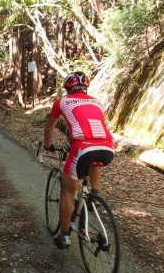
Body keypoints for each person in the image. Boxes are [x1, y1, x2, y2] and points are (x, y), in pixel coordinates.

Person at [44, 72, 114, 249]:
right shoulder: (97, 102)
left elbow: (50, 126)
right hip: (107, 147)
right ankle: (94, 198)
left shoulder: (62, 102)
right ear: (85, 88)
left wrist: (48, 145)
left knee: (67, 192)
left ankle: (65, 236)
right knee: (94, 162)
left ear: (68, 87)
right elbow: (88, 124)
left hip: (82, 148)